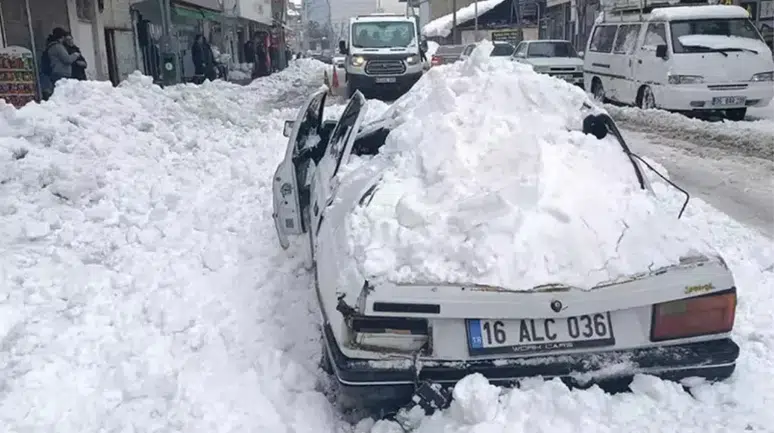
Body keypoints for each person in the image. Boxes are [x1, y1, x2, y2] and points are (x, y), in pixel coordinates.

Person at [39, 27, 81, 99]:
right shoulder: (58, 47)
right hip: (61, 73)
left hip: (56, 72)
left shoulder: (51, 46)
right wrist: (75, 55)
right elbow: (67, 59)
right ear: (61, 37)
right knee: (63, 95)